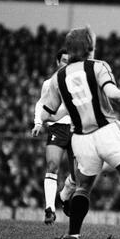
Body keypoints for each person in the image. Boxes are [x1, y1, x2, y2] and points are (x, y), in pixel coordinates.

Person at [40, 26, 120, 239]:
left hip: (80, 139)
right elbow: (112, 94)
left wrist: (40, 120)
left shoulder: (57, 78)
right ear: (89, 47)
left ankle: (73, 233)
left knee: (83, 187)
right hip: (106, 131)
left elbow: (47, 112)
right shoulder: (98, 66)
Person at [32, 48, 76, 224]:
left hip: (76, 129)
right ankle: (49, 209)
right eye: (64, 60)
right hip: (57, 128)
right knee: (52, 165)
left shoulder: (77, 84)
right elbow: (41, 104)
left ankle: (64, 196)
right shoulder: (49, 83)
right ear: (58, 62)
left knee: (80, 174)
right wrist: (38, 123)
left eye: (70, 61)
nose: (67, 64)